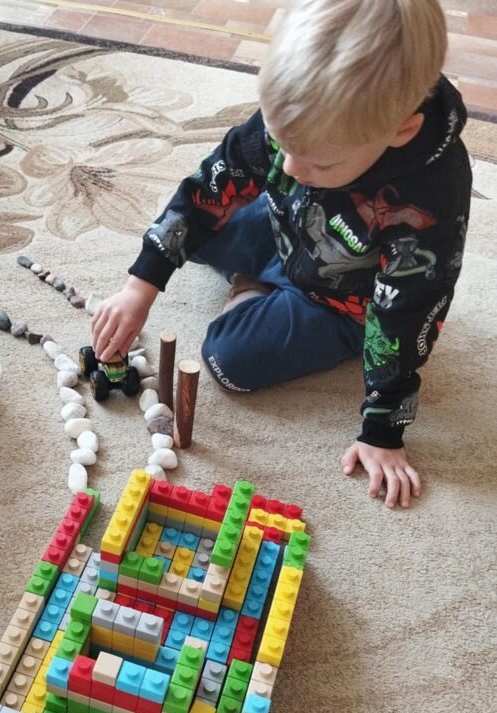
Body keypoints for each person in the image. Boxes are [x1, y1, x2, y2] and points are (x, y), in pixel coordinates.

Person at [91, 0, 471, 509]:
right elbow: (211, 183)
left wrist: (384, 429)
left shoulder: (430, 199)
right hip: (286, 226)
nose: (289, 166)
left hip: (342, 303)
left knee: (229, 360)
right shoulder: (302, 113)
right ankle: (261, 276)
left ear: (399, 131)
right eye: (279, 141)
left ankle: (255, 287)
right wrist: (140, 285)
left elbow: (409, 314)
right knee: (190, 232)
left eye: (317, 161)